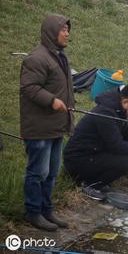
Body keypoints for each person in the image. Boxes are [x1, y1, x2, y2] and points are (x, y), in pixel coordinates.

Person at [19, 14, 75, 231]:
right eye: (64, 29)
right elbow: (29, 88)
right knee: (38, 172)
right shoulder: (36, 58)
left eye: (68, 29)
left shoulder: (60, 56)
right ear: (53, 32)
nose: (67, 33)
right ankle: (33, 212)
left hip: (56, 127)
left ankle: (47, 209)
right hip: (39, 127)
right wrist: (51, 101)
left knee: (51, 172)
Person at [63, 85, 128, 200]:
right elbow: (117, 146)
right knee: (123, 162)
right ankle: (90, 185)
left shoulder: (120, 111)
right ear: (125, 102)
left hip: (95, 153)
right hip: (78, 160)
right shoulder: (105, 113)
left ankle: (99, 181)